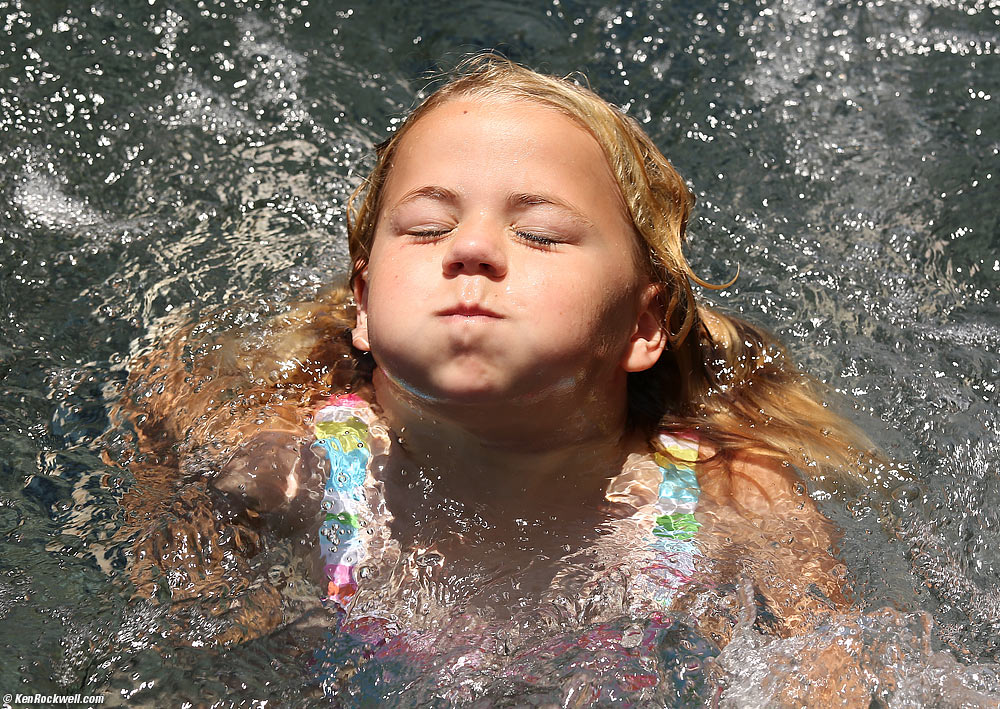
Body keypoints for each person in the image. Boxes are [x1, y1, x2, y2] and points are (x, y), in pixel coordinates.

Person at [112, 54, 877, 700]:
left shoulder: (727, 501)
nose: (471, 248)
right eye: (426, 228)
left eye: (539, 234)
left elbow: (838, 674)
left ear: (644, 325)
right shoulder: (292, 464)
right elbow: (160, 405)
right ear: (366, 303)